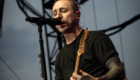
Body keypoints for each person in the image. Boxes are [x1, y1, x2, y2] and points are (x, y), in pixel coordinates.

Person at [52, 0, 125, 80]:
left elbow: (119, 70)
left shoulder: (96, 38)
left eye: (63, 11)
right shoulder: (59, 57)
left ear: (77, 14)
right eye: (55, 14)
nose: (58, 16)